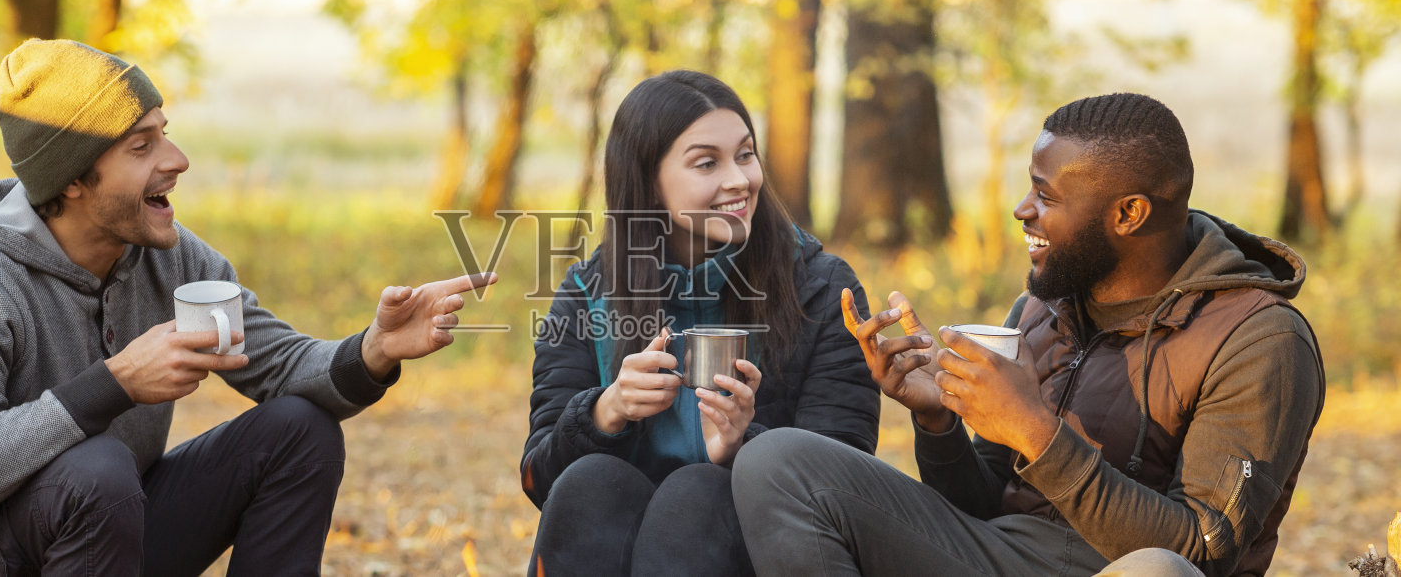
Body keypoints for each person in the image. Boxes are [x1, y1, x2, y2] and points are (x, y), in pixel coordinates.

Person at [0, 39, 496, 576]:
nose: (177, 161)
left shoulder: (172, 261)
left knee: (297, 431)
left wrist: (374, 349)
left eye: (163, 135)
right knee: (97, 469)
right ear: (71, 179)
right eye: (141, 147)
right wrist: (113, 384)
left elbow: (280, 365)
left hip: (105, 524)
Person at [731, 93, 1324, 576]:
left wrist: (1037, 432)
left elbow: (1206, 551)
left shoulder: (1258, 338)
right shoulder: (1040, 309)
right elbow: (983, 505)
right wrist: (940, 423)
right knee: (777, 459)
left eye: (1046, 195)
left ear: (1128, 214)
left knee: (1160, 575)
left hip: (1120, 571)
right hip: (999, 556)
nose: (1021, 210)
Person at [520, 70, 880, 576]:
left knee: (697, 494)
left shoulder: (820, 289)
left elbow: (844, 485)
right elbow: (540, 479)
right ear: (649, 181)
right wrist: (608, 411)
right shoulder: (588, 294)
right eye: (707, 163)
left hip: (753, 547)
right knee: (590, 482)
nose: (739, 179)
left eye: (746, 154)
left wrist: (744, 446)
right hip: (618, 539)